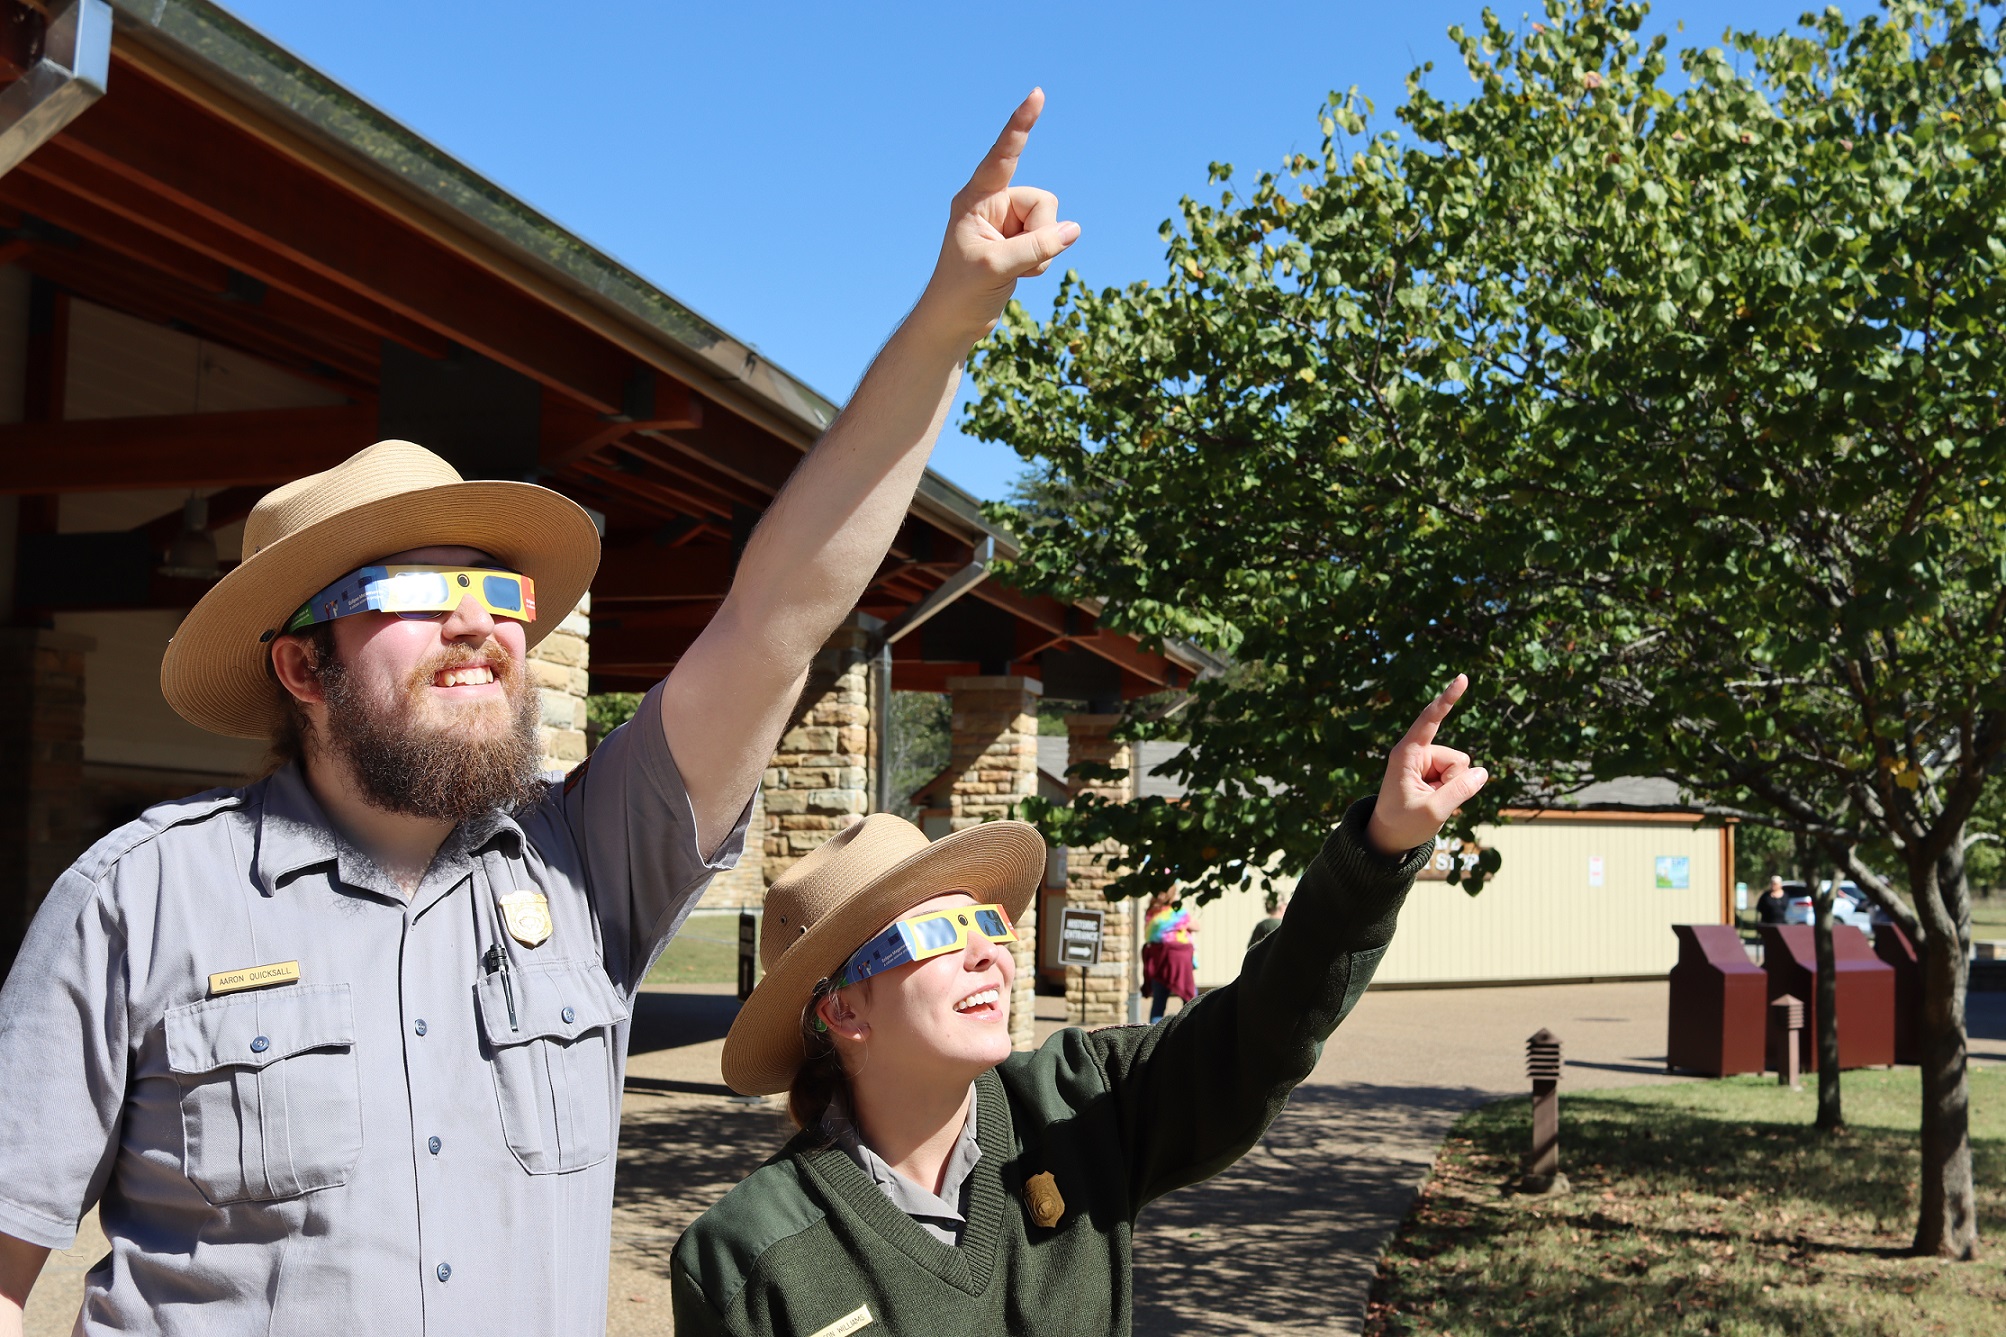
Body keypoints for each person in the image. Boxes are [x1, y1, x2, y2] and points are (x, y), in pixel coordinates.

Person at [0, 92, 1079, 1337]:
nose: (480, 622)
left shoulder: (590, 869)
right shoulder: (139, 898)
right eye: (416, 591)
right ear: (302, 669)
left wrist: (949, 317)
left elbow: (783, 605)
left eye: (499, 590)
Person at [671, 678, 1488, 1335]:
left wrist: (1380, 848)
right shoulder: (745, 1258)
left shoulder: (1081, 1103)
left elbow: (1262, 1032)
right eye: (940, 933)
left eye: (986, 920)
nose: (990, 948)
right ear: (843, 1012)